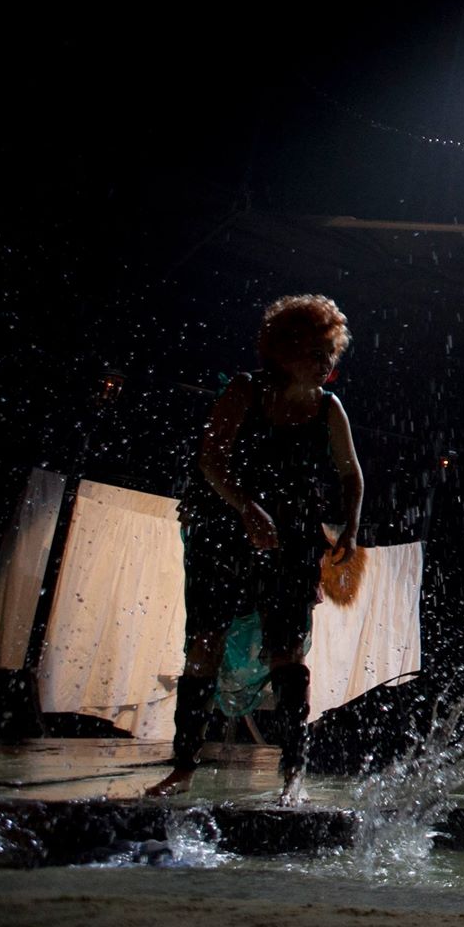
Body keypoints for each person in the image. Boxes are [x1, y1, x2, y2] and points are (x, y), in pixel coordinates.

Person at [147, 295, 362, 803]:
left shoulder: (328, 408)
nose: (324, 364)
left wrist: (351, 530)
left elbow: (351, 474)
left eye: (329, 354)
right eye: (314, 353)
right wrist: (246, 508)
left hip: (289, 537)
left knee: (287, 649)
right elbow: (210, 460)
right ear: (286, 350)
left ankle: (293, 772)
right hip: (225, 529)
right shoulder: (245, 390)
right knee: (205, 642)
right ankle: (184, 766)